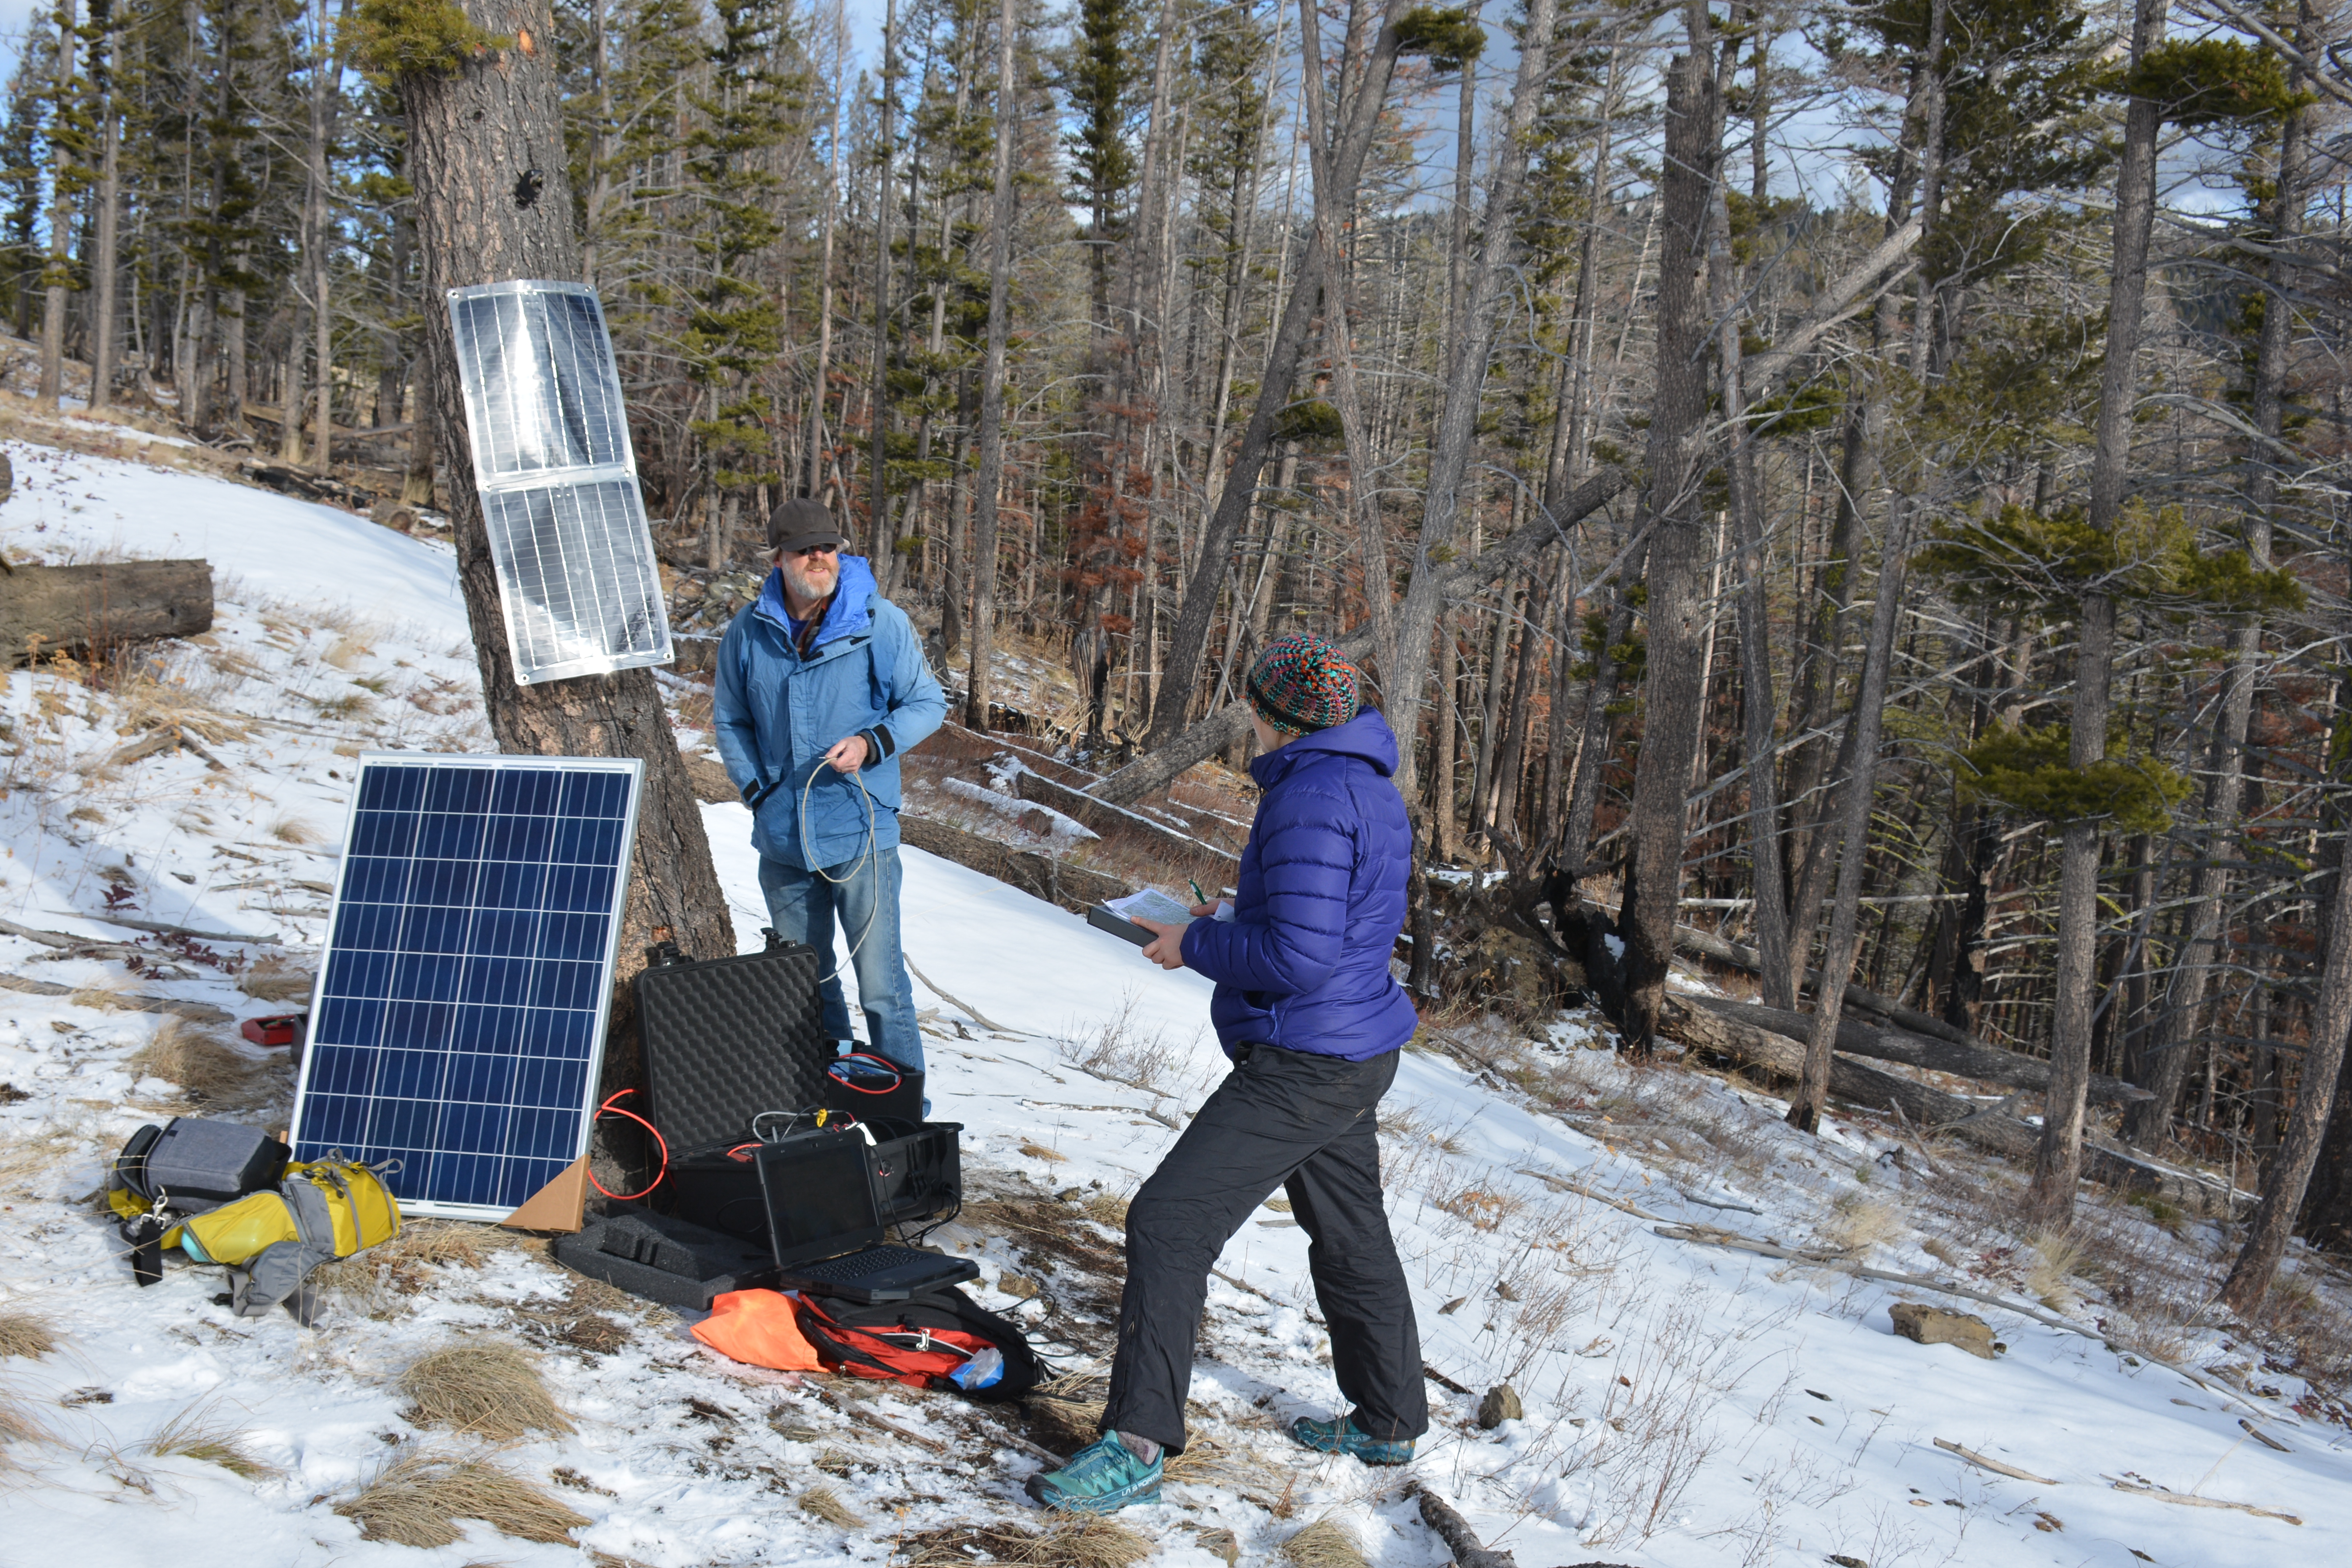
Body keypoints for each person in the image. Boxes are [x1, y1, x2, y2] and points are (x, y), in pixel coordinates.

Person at [1028, 633, 1427, 1515]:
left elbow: (1295, 958)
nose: (1248, 719)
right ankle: (1389, 1418)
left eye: (1252, 707)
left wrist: (1193, 940)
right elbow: (1334, 916)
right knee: (1351, 1232)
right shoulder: (1364, 781)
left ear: (1272, 718)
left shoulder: (1310, 799)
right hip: (1356, 1047)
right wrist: (1236, 911)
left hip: (1306, 1061)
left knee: (1168, 1223)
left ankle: (1135, 1447)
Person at [712, 497, 946, 1079]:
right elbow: (730, 720)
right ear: (779, 557)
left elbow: (927, 703)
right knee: (808, 991)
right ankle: (829, 1118)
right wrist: (758, 792)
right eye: (804, 549)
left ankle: (907, 1125)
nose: (819, 557)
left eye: (827, 546)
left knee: (882, 990)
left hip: (861, 835)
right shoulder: (748, 630)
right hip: (784, 841)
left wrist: (872, 743)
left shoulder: (878, 621)